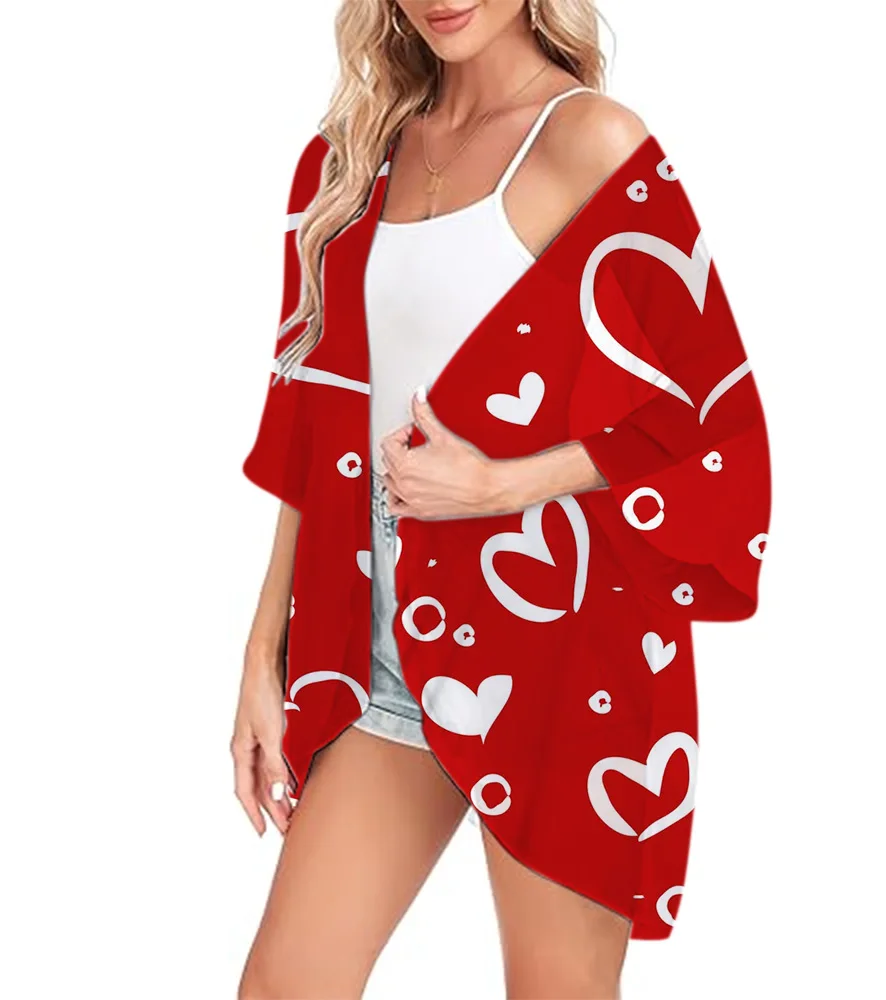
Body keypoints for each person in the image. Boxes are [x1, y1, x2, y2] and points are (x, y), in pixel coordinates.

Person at [235, 2, 700, 997]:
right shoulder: (349, 161)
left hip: (561, 649)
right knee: (285, 983)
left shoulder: (589, 141)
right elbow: (309, 425)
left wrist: (499, 482)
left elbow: (696, 411)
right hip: (387, 652)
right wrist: (262, 651)